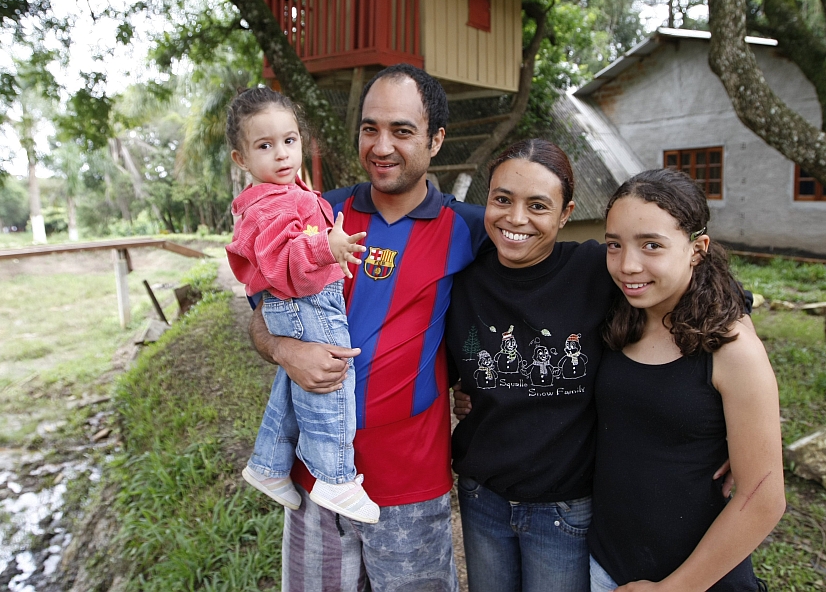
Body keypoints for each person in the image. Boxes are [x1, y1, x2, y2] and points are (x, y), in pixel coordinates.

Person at [249, 65, 487, 592]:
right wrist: (285, 350)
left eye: (402, 131)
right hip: (316, 477)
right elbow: (260, 317)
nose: (382, 146)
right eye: (369, 128)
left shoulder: (469, 229)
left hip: (411, 483)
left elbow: (524, 302)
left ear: (436, 139)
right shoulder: (313, 213)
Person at [589, 168, 784, 591]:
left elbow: (764, 498)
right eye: (614, 245)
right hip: (605, 565)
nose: (628, 265)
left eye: (652, 245)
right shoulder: (620, 310)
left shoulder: (733, 349)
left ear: (698, 249)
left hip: (699, 579)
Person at [446, 139, 617, 592]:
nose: (515, 219)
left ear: (565, 214)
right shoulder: (462, 282)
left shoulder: (596, 269)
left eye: (538, 205)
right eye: (502, 199)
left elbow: (695, 288)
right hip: (483, 496)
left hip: (564, 506)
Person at [225, 87, 380, 523]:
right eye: (264, 145)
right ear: (242, 159)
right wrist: (324, 248)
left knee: (294, 387)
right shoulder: (273, 201)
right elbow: (280, 258)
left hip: (298, 300)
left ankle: (269, 464)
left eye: (289, 141)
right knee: (332, 378)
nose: (281, 155)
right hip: (306, 300)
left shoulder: (287, 193)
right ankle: (336, 476)